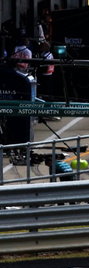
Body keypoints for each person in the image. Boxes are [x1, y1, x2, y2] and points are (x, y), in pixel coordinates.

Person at [0, 47, 36, 180]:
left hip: (14, 113)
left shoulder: (22, 80)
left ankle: (19, 148)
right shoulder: (21, 79)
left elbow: (27, 105)